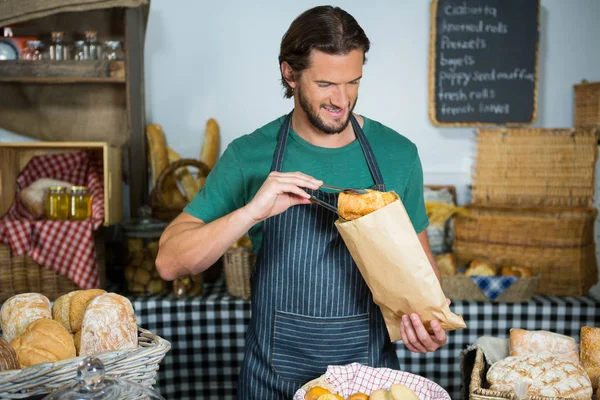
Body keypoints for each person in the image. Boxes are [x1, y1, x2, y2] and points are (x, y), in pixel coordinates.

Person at [156, 5, 448, 399]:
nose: (341, 100)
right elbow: (170, 262)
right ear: (289, 73)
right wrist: (253, 210)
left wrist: (430, 325)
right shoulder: (250, 155)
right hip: (272, 386)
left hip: (368, 387)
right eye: (326, 83)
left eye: (353, 82)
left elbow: (423, 275)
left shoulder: (397, 155)